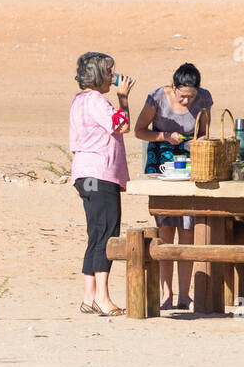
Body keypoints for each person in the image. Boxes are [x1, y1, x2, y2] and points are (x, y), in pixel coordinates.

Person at [133, 63, 213, 310]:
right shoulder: (157, 97)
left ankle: (184, 295)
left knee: (188, 229)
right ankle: (166, 294)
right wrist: (165, 136)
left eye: (191, 96)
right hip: (162, 163)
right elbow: (139, 131)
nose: (187, 101)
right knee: (166, 229)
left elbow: (204, 131)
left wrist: (198, 141)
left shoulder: (204, 98)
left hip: (190, 163)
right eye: (182, 96)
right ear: (174, 87)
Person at [69, 52, 133, 317]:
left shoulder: (79, 101)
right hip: (100, 174)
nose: (112, 76)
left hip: (86, 175)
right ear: (98, 74)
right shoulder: (96, 100)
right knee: (107, 232)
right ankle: (103, 298)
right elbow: (122, 125)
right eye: (109, 72)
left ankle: (89, 296)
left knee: (95, 233)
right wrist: (123, 98)